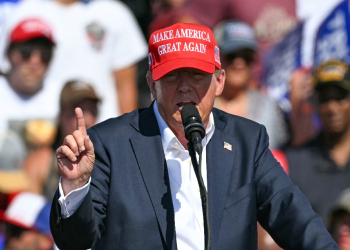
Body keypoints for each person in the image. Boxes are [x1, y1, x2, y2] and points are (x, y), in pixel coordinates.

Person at [50, 23, 338, 249]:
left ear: (219, 81)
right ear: (152, 84)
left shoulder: (247, 141)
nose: (185, 88)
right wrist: (76, 188)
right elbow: (76, 242)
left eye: (197, 75)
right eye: (172, 76)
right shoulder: (108, 143)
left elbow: (295, 220)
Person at [0, 0, 148, 122]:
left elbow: (125, 86)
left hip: (105, 128)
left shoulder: (115, 12)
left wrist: (129, 134)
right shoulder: (24, 10)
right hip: (47, 126)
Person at [287, 60, 350, 224]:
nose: (332, 108)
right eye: (325, 99)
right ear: (314, 104)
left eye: (340, 97)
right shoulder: (296, 164)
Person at [213, 20, 290, 150]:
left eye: (246, 56)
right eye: (231, 56)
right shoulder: (202, 104)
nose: (239, 63)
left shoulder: (269, 107)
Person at [23, 80, 100, 198]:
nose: (87, 119)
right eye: (78, 111)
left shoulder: (109, 160)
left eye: (92, 110)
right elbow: (27, 210)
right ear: (61, 115)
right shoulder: (41, 162)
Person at [0, 18, 59, 133]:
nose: (35, 61)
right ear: (9, 54)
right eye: (26, 51)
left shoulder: (62, 97)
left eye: (45, 53)